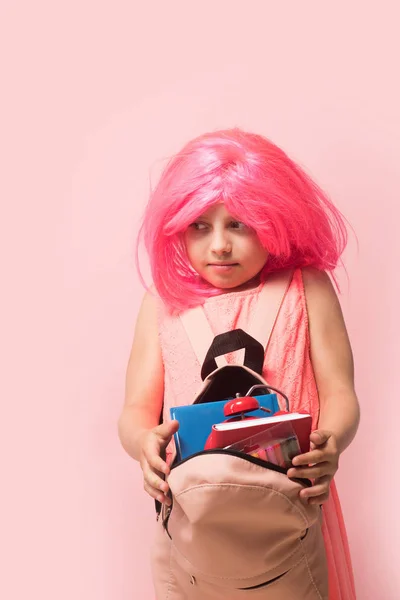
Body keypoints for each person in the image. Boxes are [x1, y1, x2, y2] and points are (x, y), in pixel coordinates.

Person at [118, 128, 360, 599]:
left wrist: (332, 444)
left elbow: (340, 392)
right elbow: (135, 410)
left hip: (293, 501)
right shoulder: (162, 304)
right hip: (197, 513)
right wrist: (143, 443)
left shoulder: (306, 287)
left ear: (275, 220)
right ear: (176, 227)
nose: (220, 246)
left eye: (240, 224)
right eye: (200, 226)